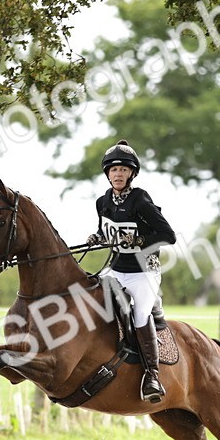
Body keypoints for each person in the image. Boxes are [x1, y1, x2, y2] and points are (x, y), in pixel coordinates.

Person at [86, 139, 177, 402]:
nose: (118, 174)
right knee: (88, 294)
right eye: (113, 170)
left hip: (144, 272)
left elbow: (167, 236)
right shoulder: (103, 201)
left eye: (123, 170)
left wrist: (138, 242)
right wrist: (97, 238)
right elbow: (108, 233)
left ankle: (152, 375)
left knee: (139, 315)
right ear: (107, 174)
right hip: (115, 269)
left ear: (131, 174)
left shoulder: (140, 200)